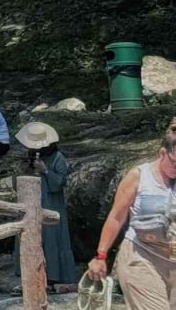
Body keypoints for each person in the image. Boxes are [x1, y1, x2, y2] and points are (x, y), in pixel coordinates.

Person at [86, 128, 176, 309]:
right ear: (162, 153)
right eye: (174, 162)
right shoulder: (139, 176)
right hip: (141, 256)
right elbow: (116, 217)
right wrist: (101, 256)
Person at [13, 122, 77, 292]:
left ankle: (52, 277)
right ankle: (28, 276)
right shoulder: (30, 157)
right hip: (31, 203)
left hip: (51, 204)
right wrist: (23, 170)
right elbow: (17, 185)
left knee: (51, 238)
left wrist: (45, 170)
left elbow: (59, 184)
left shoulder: (58, 158)